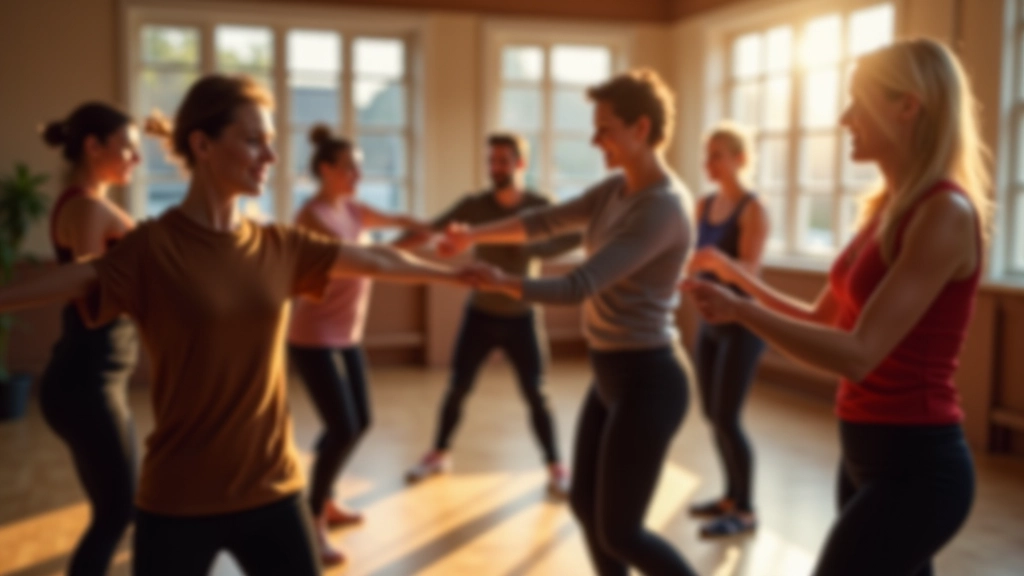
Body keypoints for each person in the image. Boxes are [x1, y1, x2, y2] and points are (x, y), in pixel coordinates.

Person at [0, 74, 474, 576]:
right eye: (253, 141)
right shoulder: (152, 249)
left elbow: (376, 258)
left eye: (270, 143)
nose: (270, 157)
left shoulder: (279, 246)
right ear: (202, 145)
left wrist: (456, 274)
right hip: (177, 501)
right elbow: (77, 278)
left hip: (275, 492)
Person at [685, 38, 988, 576]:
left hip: (919, 467)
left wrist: (742, 312)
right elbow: (819, 320)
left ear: (907, 106)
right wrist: (737, 295)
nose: (846, 117)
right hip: (863, 452)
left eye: (858, 101)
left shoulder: (943, 211)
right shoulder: (885, 210)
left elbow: (858, 354)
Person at [441, 69, 699, 576]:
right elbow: (544, 222)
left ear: (640, 128)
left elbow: (579, 285)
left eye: (605, 128)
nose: (594, 138)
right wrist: (472, 235)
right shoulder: (613, 191)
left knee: (623, 530)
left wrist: (501, 280)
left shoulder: (662, 207)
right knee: (586, 506)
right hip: (610, 374)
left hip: (650, 378)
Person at [401, 133, 580, 497]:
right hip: (480, 313)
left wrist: (533, 245)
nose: (496, 168)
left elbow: (575, 235)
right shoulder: (475, 205)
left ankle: (556, 467)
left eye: (503, 160)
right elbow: (431, 229)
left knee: (536, 394)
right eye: (492, 161)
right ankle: (438, 453)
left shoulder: (539, 205)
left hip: (523, 316)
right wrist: (379, 254)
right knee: (458, 388)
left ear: (520, 164)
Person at [287, 124, 432, 565]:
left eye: (360, 168)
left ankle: (325, 497)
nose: (357, 176)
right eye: (350, 168)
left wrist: (424, 227)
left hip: (346, 336)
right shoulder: (312, 216)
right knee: (343, 426)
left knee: (359, 420)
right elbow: (358, 262)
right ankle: (312, 520)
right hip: (313, 338)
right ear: (327, 169)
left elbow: (399, 221)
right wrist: (407, 245)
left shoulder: (352, 209)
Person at [37, 102, 140, 576]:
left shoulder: (89, 202)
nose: (135, 159)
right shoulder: (87, 206)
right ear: (93, 146)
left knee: (118, 506)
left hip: (95, 377)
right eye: (127, 148)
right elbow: (93, 305)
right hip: (88, 380)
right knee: (119, 510)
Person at [686, 122, 770, 538]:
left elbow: (751, 274)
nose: (709, 162)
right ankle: (729, 496)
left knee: (727, 417)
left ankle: (747, 509)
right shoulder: (702, 205)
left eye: (717, 154)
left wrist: (718, 261)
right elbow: (692, 259)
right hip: (711, 322)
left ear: (739, 158)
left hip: (743, 326)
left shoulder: (754, 209)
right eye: (707, 154)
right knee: (711, 414)